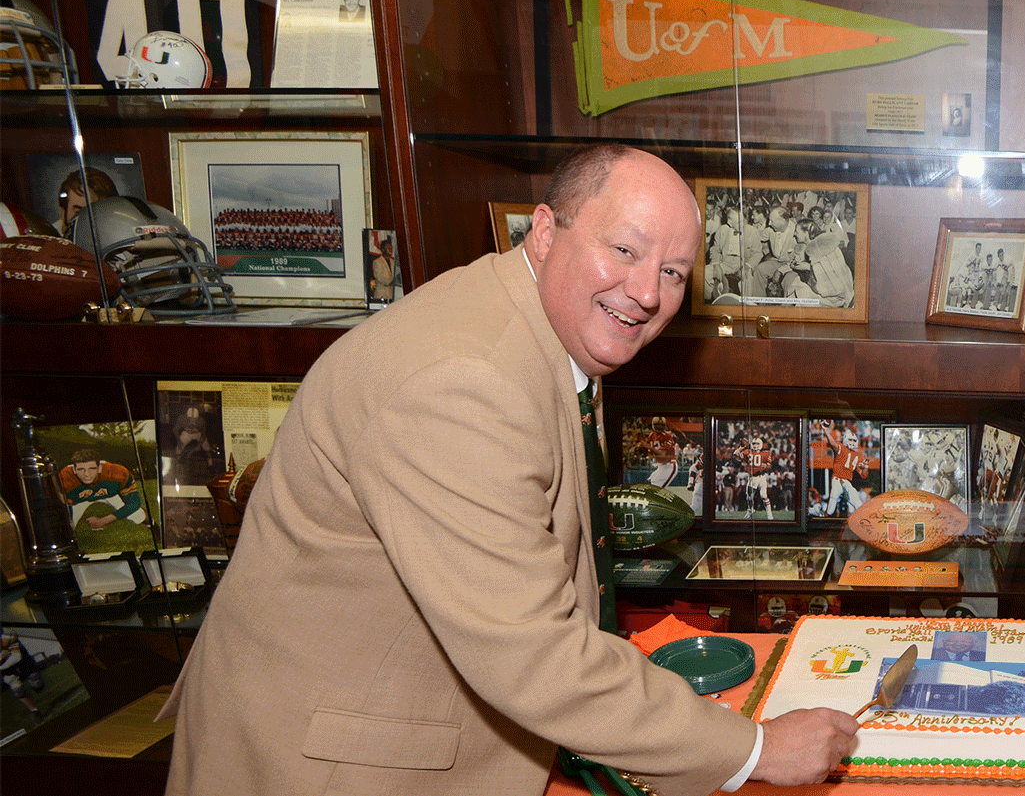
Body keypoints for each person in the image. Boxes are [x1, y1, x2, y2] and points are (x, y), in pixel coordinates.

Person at [159, 144, 857, 796]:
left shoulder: (542, 322)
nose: (647, 292)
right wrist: (757, 749)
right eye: (624, 249)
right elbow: (536, 655)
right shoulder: (465, 380)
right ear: (546, 232)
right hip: (328, 765)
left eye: (672, 272)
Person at [56, 166, 118, 232]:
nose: (87, 221)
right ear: (63, 212)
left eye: (95, 214)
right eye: (78, 213)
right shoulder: (46, 240)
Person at [369, 235, 397, 302]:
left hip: (391, 295)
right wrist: (392, 281)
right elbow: (380, 278)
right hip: (381, 295)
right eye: (388, 248)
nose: (391, 250)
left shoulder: (393, 262)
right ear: (383, 249)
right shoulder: (377, 262)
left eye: (391, 248)